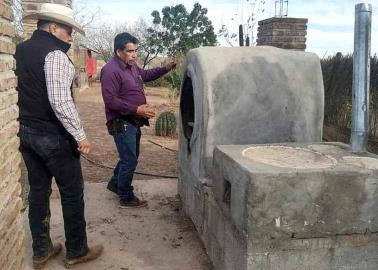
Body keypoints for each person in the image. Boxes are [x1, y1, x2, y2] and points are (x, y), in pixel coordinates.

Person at [15, 3, 103, 269]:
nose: (70, 36)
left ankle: (41, 250)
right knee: (72, 192)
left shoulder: (18, 51)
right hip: (54, 137)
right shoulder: (55, 56)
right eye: (68, 30)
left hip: (27, 134)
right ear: (53, 27)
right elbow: (60, 102)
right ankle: (77, 250)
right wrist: (80, 136)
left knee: (38, 192)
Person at [101, 32, 176, 208]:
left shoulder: (132, 67)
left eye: (135, 51)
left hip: (133, 121)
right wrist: (136, 109)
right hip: (121, 122)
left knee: (130, 157)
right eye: (130, 51)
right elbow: (110, 100)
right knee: (129, 159)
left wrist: (166, 68)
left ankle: (115, 183)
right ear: (118, 51)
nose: (134, 55)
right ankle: (126, 197)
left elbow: (146, 75)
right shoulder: (110, 70)